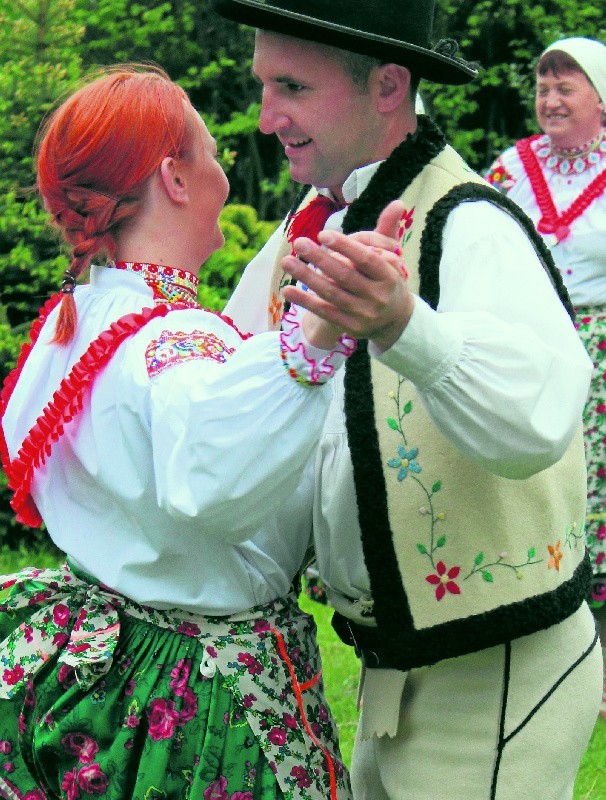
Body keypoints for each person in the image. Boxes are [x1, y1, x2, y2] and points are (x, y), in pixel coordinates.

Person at [210, 0, 603, 797]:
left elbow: (541, 417)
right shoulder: (315, 221)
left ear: (388, 85)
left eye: (291, 86)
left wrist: (404, 325)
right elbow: (225, 379)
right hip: (397, 665)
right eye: (263, 84)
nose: (265, 116)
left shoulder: (471, 222)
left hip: (497, 673)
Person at [0, 63, 394, 800]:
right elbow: (215, 480)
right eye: (210, 155)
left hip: (110, 671)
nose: (224, 172)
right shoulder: (175, 342)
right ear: (175, 180)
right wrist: (315, 338)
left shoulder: (71, 326)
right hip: (198, 698)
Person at [486, 36, 606, 721]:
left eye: (567, 87)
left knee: (598, 496)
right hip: (532, 342)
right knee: (536, 485)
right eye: (544, 87)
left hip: (603, 348)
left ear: (600, 99)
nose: (551, 99)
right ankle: (545, 652)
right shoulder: (509, 170)